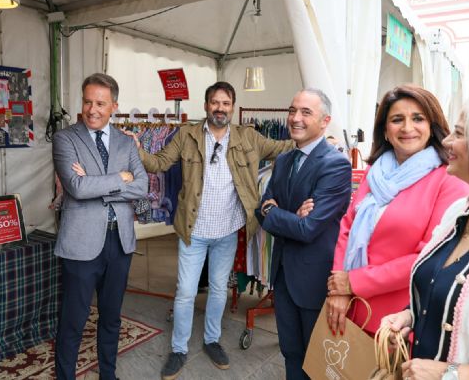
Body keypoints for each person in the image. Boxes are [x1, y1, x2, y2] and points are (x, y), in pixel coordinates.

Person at [125, 81, 293, 380]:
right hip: (194, 231)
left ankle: (212, 341)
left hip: (227, 231)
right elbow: (160, 163)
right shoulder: (187, 134)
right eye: (215, 102)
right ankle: (178, 349)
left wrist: (318, 140)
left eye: (225, 103)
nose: (220, 108)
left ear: (232, 107)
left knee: (218, 291)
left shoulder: (248, 137)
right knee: (186, 292)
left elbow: (282, 148)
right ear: (206, 106)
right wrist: (138, 149)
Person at [382, 87, 469, 380]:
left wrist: (452, 373)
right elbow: (442, 287)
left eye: (458, 133)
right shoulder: (459, 211)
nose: (446, 141)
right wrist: (410, 315)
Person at [326, 84, 469, 336]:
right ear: (384, 129)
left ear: (432, 125)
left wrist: (354, 283)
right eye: (397, 119)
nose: (407, 128)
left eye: (418, 118)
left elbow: (429, 255)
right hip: (348, 305)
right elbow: (347, 226)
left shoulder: (449, 179)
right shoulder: (376, 170)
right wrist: (339, 287)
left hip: (397, 317)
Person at [52, 73, 148, 380]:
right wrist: (121, 178)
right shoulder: (65, 138)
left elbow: (143, 186)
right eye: (87, 101)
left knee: (111, 318)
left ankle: (109, 375)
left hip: (119, 243)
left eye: (100, 103)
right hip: (80, 243)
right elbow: (76, 188)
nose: (92, 109)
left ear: (114, 106)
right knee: (73, 321)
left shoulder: (125, 141)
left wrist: (96, 183)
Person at [256, 89, 352, 380]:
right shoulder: (284, 160)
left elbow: (307, 228)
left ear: (325, 121)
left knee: (317, 361)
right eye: (292, 110)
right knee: (291, 353)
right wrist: (282, 214)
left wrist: (275, 213)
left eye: (305, 112)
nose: (295, 118)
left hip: (313, 281)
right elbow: (260, 210)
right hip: (283, 276)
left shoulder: (335, 165)